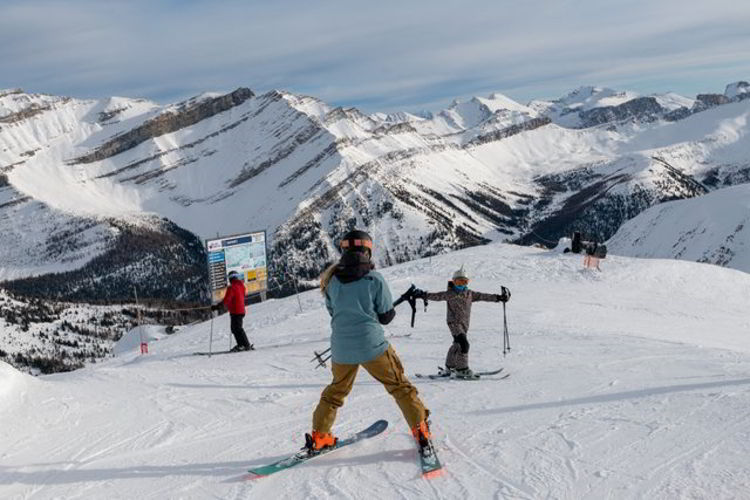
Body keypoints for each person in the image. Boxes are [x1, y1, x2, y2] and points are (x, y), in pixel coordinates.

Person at [306, 230, 432, 454]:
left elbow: (333, 311)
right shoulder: (374, 279)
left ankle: (320, 437)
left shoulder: (332, 281)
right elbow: (386, 316)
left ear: (344, 250)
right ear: (367, 250)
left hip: (341, 348)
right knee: (400, 387)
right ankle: (421, 431)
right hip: (372, 345)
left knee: (335, 393)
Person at [413, 265, 509, 378]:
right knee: (464, 344)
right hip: (453, 323)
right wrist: (423, 295)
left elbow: (484, 296)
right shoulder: (449, 294)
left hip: (464, 324)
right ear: (453, 282)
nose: (461, 285)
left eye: (464, 282)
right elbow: (437, 296)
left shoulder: (470, 294)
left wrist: (499, 298)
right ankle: (462, 369)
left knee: (457, 344)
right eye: (458, 282)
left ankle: (450, 366)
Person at [211, 270, 253, 352]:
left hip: (235, 311)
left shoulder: (232, 287)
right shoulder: (242, 286)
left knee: (237, 328)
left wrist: (217, 307)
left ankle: (244, 345)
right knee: (236, 328)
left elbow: (227, 299)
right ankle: (243, 344)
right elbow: (241, 296)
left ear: (230, 278)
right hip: (241, 310)